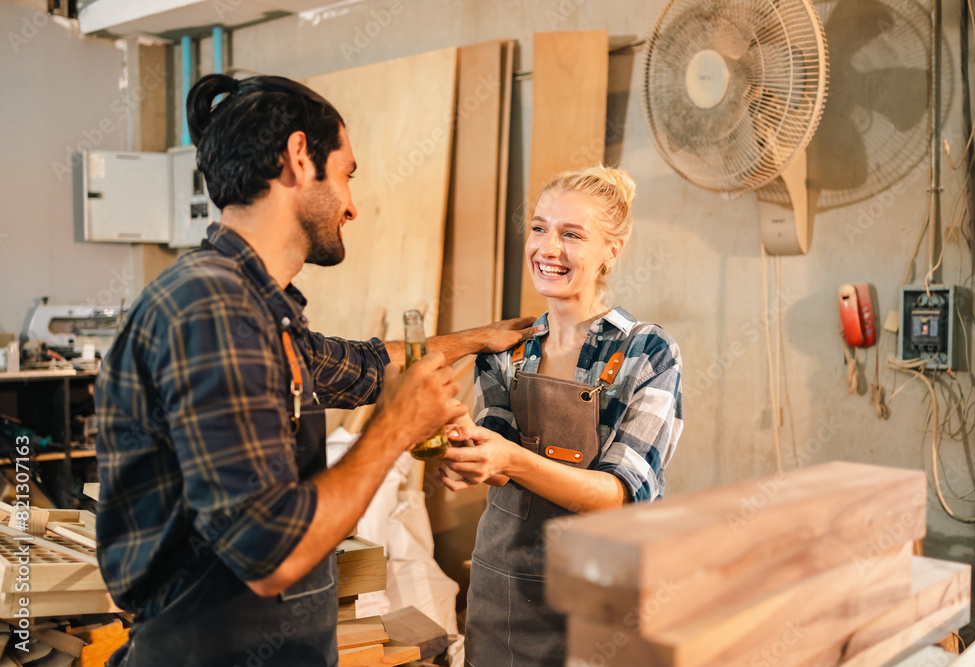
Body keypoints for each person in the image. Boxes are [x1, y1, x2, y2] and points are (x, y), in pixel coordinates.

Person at [94, 73, 539, 667]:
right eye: (347, 174)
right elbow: (269, 553)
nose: (353, 205)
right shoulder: (214, 311)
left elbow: (364, 366)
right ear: (300, 158)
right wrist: (394, 428)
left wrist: (482, 338)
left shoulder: (258, 310)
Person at [439, 166, 684, 666]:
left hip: (598, 601)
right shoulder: (508, 347)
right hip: (500, 592)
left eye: (572, 234)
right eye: (538, 227)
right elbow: (497, 455)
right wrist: (462, 448)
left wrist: (509, 457)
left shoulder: (647, 353)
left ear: (610, 252)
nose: (548, 249)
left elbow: (619, 496)